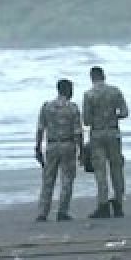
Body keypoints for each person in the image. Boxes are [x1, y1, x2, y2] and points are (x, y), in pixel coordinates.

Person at [82, 66, 129, 218]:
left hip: (97, 134)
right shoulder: (115, 91)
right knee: (117, 169)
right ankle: (118, 203)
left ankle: (103, 205)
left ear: (91, 78)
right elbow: (125, 112)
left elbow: (87, 120)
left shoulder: (89, 95)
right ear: (104, 76)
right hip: (113, 132)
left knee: (100, 171)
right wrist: (113, 116)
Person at [35, 79, 83, 222]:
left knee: (48, 179)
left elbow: (40, 128)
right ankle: (62, 211)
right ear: (68, 90)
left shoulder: (47, 107)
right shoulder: (72, 108)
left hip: (51, 145)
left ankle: (43, 212)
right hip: (68, 145)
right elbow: (78, 131)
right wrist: (81, 150)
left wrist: (37, 147)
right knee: (67, 180)